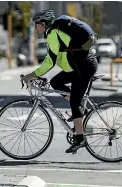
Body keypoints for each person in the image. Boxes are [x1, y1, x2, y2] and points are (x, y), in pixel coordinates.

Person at [20, 10, 98, 153]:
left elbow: (51, 60)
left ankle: (80, 138)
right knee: (56, 82)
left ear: (43, 24)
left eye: (37, 25)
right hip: (79, 67)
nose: (36, 28)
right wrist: (37, 75)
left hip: (84, 68)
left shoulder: (52, 34)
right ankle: (80, 109)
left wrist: (32, 75)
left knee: (74, 101)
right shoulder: (56, 32)